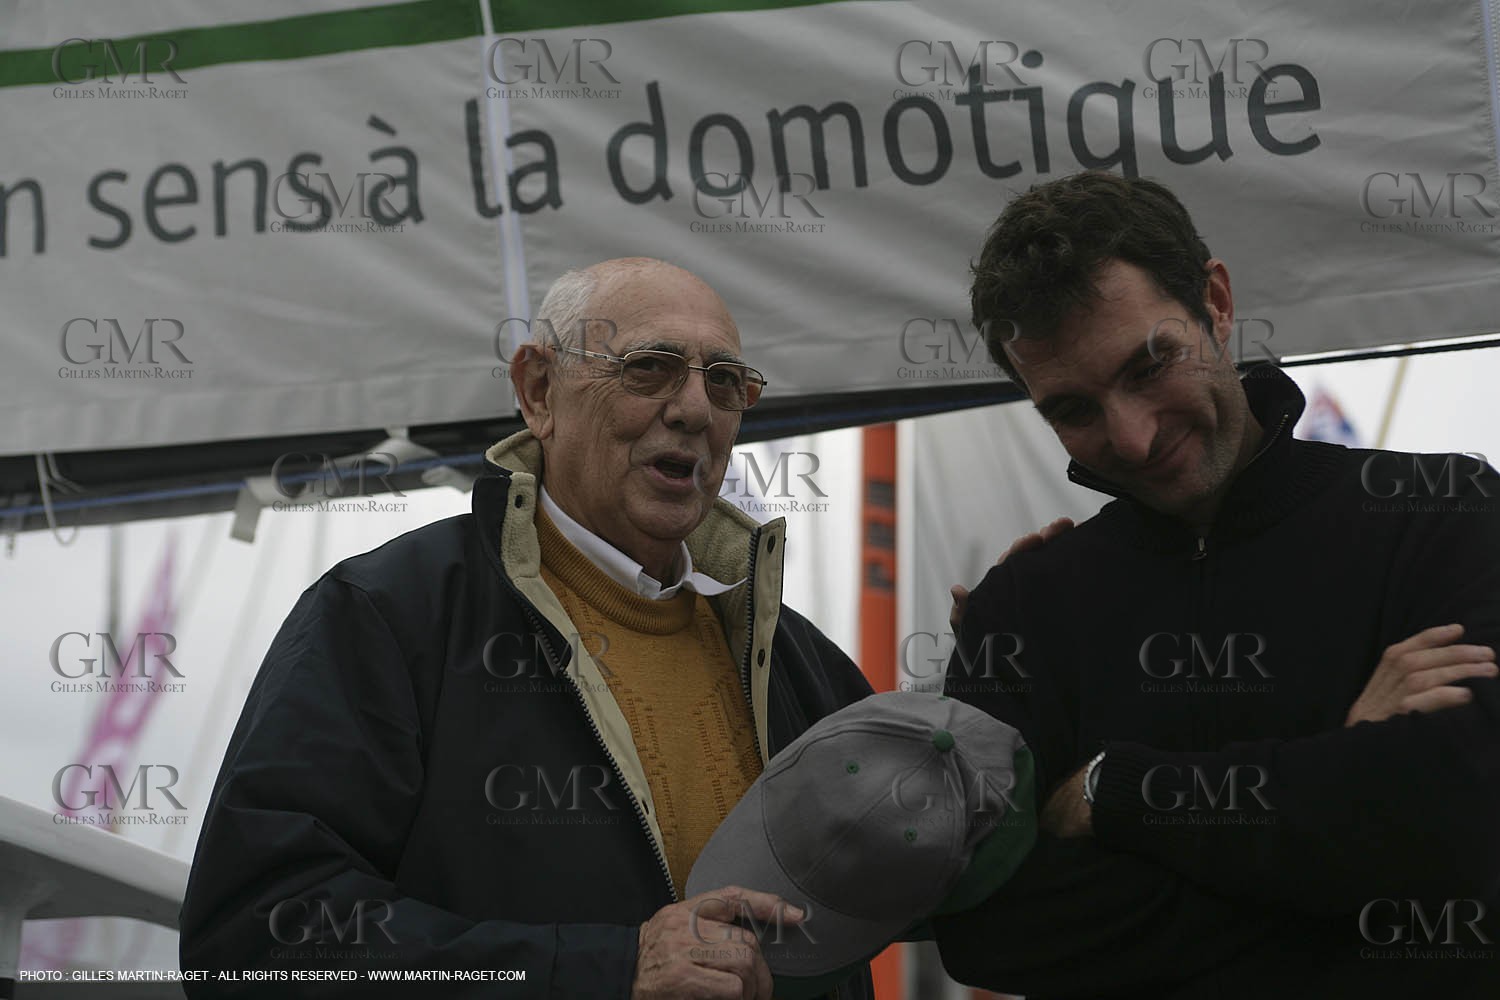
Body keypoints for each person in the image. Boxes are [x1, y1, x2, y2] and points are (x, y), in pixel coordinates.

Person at [179, 258, 875, 999]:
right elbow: (252, 938)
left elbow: (940, 884)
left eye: (725, 381)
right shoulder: (386, 617)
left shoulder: (800, 666)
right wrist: (604, 972)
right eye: (650, 368)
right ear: (539, 392)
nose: (695, 409)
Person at [934, 172, 1500, 998]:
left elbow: (1459, 832)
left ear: (1217, 301)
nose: (1131, 438)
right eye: (1073, 410)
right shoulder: (1021, 609)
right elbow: (985, 931)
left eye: (1149, 364)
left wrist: (1111, 789)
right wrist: (1339, 796)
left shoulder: (1445, 514)